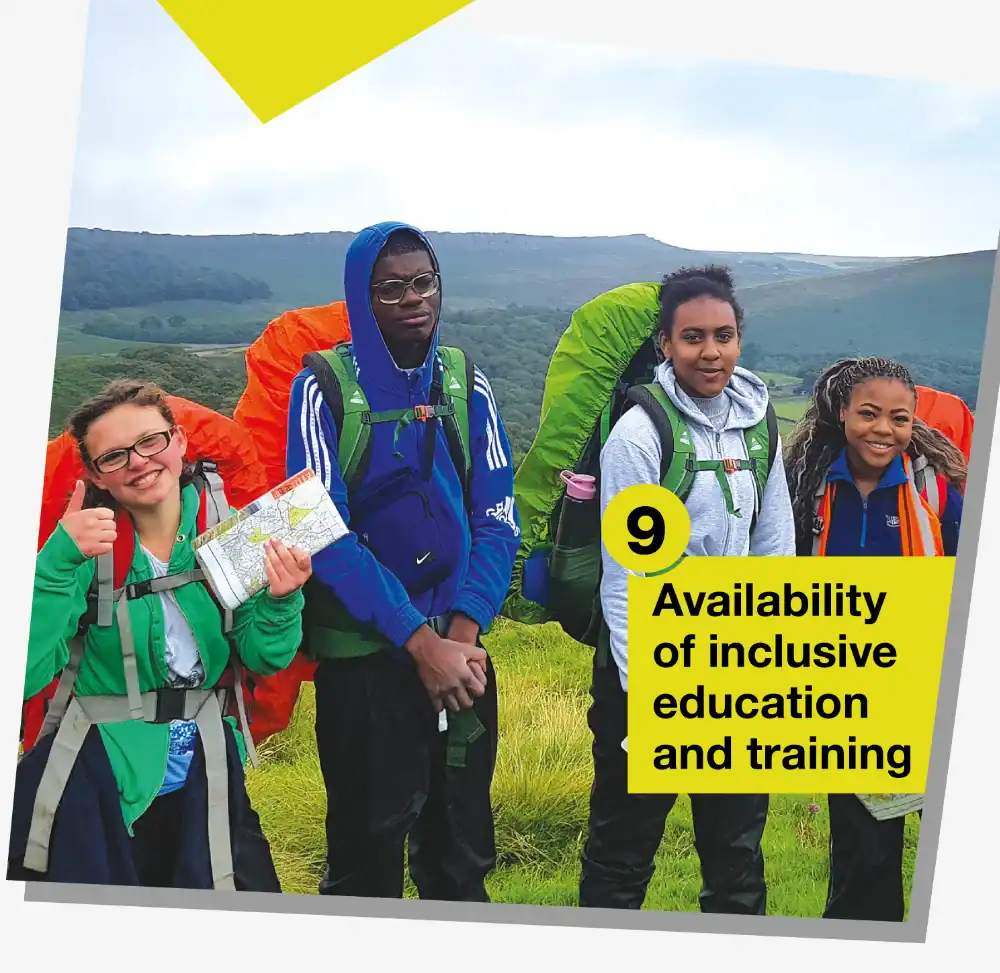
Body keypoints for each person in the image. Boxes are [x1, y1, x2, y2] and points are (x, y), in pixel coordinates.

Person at [285, 221, 520, 901]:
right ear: (363, 297)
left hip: (462, 653)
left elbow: (497, 517)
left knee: (462, 855)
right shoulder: (321, 388)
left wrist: (462, 634)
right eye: (390, 289)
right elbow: (320, 530)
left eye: (424, 282)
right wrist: (420, 643)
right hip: (365, 661)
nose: (413, 298)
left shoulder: (464, 381)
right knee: (366, 860)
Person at [8, 379, 311, 888]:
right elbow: (25, 674)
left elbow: (264, 657)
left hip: (206, 765)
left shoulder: (234, 531)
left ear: (179, 442)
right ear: (94, 474)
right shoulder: (83, 545)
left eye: (151, 441)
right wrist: (57, 562)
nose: (139, 462)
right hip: (97, 767)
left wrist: (282, 599)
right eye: (114, 456)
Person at [578, 265, 795, 913]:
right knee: (623, 852)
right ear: (665, 344)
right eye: (693, 336)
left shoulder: (761, 427)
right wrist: (650, 694)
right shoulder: (642, 435)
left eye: (724, 335)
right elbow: (625, 580)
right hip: (649, 664)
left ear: (739, 338)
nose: (711, 351)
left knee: (736, 858)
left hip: (732, 662)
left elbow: (773, 547)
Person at [783, 356, 965, 921]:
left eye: (899, 418)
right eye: (868, 414)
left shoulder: (933, 489)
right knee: (863, 852)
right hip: (847, 696)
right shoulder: (807, 486)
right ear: (843, 413)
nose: (884, 430)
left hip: (927, 687)